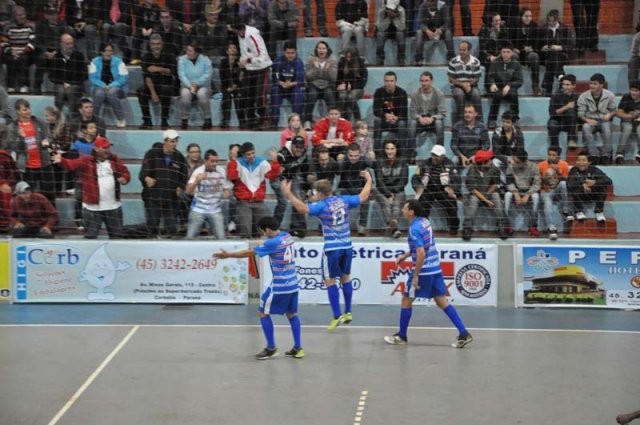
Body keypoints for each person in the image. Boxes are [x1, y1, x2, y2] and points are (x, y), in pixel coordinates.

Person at [281, 168, 372, 330]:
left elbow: (302, 209)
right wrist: (369, 179)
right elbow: (364, 196)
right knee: (345, 277)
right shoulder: (343, 200)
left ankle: (337, 316)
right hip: (347, 246)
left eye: (315, 192)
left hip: (332, 248)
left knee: (329, 280)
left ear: (321, 193)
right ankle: (349, 312)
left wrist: (288, 194)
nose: (313, 195)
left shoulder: (321, 206)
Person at [383, 199, 472, 348]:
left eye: (404, 208)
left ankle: (402, 336)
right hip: (435, 268)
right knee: (440, 300)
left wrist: (416, 275)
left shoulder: (414, 228)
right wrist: (405, 256)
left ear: (411, 211)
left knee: (406, 300)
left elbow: (421, 253)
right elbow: (424, 245)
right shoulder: (425, 222)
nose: (402, 210)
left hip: (424, 271)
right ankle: (464, 333)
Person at [214, 216, 303, 360]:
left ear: (267, 229)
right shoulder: (287, 236)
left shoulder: (272, 242)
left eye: (263, 230)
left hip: (279, 286)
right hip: (293, 284)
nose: (262, 233)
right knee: (292, 314)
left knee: (262, 312)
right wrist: (265, 243)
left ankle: (271, 348)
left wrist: (228, 255)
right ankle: (298, 348)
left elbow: (250, 253)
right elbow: (273, 244)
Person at [51, 136, 130, 238]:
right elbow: (71, 165)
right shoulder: (86, 160)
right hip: (92, 209)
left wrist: (125, 179)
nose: (108, 150)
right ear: (96, 148)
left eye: (108, 147)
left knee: (117, 237)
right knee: (90, 237)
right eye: (104, 148)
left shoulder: (115, 159)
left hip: (113, 207)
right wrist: (61, 161)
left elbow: (126, 173)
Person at [139, 129, 188, 237]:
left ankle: (170, 251)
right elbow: (142, 173)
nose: (174, 144)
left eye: (176, 141)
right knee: (152, 227)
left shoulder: (179, 157)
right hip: (153, 197)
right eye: (171, 141)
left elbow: (184, 175)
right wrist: (147, 178)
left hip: (171, 199)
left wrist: (181, 187)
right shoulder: (152, 153)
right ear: (165, 141)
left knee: (171, 228)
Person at [226, 141, 281, 238]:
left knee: (262, 231)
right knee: (246, 231)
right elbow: (231, 177)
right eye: (248, 154)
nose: (251, 156)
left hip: (259, 201)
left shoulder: (262, 162)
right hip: (243, 202)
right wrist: (233, 161)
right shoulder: (237, 163)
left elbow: (271, 175)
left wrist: (275, 162)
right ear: (243, 155)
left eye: (253, 153)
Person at [7, 98, 56, 205]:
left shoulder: (40, 122)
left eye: (28, 108)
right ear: (18, 112)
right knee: (30, 196)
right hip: (27, 167)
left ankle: (53, 217)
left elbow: (50, 137)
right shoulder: (12, 127)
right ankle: (34, 220)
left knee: (49, 194)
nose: (28, 111)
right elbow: (14, 147)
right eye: (24, 109)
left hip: (45, 164)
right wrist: (21, 137)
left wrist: (47, 140)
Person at [411, 144, 461, 236]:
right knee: (422, 204)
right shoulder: (425, 163)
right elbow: (415, 178)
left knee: (452, 203)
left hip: (443, 189)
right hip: (428, 189)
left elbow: (457, 180)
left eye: (437, 156)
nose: (434, 158)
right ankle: (423, 229)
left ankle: (454, 228)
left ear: (443, 157)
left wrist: (452, 189)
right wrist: (418, 187)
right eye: (433, 155)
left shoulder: (450, 164)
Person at [232, 23, 272, 130]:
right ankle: (251, 120)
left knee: (260, 96)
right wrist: (242, 62)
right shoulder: (240, 36)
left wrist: (248, 60)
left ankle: (264, 120)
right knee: (247, 95)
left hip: (262, 68)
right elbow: (244, 53)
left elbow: (263, 55)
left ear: (240, 29)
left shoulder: (254, 36)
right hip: (249, 69)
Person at [462, 149, 509, 240]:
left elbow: (496, 184)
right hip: (476, 193)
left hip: (489, 192)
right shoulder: (472, 169)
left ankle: (501, 226)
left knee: (496, 197)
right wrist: (485, 200)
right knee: (473, 201)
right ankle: (467, 227)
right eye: (489, 160)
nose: (491, 161)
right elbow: (473, 189)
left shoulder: (494, 168)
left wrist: (487, 195)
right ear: (483, 163)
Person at [185, 149, 232, 239]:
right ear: (205, 161)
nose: (214, 164)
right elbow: (188, 191)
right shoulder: (198, 171)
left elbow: (226, 188)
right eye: (212, 161)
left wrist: (226, 192)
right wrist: (197, 181)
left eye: (216, 161)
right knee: (189, 238)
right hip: (198, 208)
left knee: (221, 238)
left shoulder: (221, 171)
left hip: (215, 209)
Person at [138, 34, 178, 130]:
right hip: (151, 85)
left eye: (158, 44)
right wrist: (153, 93)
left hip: (166, 84)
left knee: (166, 90)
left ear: (162, 44)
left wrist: (157, 68)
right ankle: (147, 120)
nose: (156, 46)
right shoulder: (146, 57)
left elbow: (173, 71)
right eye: (153, 44)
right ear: (150, 45)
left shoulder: (169, 56)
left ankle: (164, 120)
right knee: (141, 91)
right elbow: (146, 76)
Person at [577, 73, 617, 165]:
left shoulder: (609, 95)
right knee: (586, 127)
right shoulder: (583, 96)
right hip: (590, 120)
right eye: (591, 83)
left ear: (601, 85)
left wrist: (610, 115)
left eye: (595, 84)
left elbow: (614, 110)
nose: (592, 85)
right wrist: (587, 120)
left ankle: (605, 155)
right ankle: (593, 155)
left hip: (604, 121)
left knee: (607, 129)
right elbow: (580, 113)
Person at [88, 42, 129, 128]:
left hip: (117, 87)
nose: (109, 53)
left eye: (111, 51)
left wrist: (111, 85)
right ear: (102, 52)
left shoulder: (119, 62)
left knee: (111, 92)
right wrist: (103, 85)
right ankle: (94, 120)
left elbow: (124, 78)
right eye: (106, 51)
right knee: (99, 93)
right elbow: (92, 78)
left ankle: (120, 118)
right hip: (100, 86)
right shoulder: (95, 62)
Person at [274, 136, 309, 237]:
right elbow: (281, 173)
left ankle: (298, 228)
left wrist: (307, 187)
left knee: (298, 199)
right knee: (283, 202)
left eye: (301, 147)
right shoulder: (282, 154)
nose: (299, 149)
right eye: (297, 147)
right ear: (292, 146)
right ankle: (274, 227)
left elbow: (305, 169)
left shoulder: (304, 152)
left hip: (293, 176)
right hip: (279, 178)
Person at [33, 6, 72, 96]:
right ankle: (37, 86)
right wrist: (46, 52)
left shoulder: (63, 25)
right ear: (46, 16)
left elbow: (65, 41)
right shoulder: (40, 25)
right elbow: (38, 42)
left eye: (55, 14)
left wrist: (57, 52)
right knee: (41, 59)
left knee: (60, 59)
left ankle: (59, 87)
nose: (53, 17)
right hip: (44, 51)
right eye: (50, 15)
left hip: (59, 51)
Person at [373, 139, 407, 238]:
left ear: (396, 150)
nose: (389, 151)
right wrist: (388, 194)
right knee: (386, 204)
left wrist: (393, 193)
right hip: (381, 190)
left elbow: (404, 181)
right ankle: (395, 229)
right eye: (387, 149)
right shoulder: (379, 161)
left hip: (398, 190)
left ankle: (392, 228)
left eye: (392, 149)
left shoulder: (403, 161)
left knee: (396, 205)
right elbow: (379, 182)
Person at [48, 33, 88, 117]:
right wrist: (63, 82)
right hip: (60, 84)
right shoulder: (56, 57)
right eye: (67, 44)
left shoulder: (79, 56)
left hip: (76, 84)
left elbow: (84, 75)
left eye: (71, 43)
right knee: (60, 90)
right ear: (61, 44)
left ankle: (74, 117)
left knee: (70, 90)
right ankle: (57, 117)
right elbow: (52, 76)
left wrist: (70, 83)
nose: (70, 46)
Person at [566, 150, 612, 223]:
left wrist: (594, 183)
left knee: (602, 188)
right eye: (579, 160)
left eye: (584, 160)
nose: (581, 163)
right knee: (574, 189)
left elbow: (608, 181)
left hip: (592, 194)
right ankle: (579, 212)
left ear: (588, 162)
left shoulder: (594, 169)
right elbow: (569, 183)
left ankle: (599, 213)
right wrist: (583, 184)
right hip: (580, 195)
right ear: (576, 162)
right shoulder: (573, 170)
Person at [372, 71, 409, 159]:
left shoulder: (402, 93)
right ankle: (377, 152)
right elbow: (376, 110)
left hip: (397, 121)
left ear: (395, 81)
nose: (389, 83)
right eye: (387, 81)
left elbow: (404, 112)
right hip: (384, 121)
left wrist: (396, 118)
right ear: (384, 82)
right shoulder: (378, 92)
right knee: (377, 121)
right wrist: (385, 115)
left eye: (391, 81)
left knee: (402, 124)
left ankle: (403, 154)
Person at [504, 149, 541, 237]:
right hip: (515, 191)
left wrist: (528, 194)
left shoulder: (534, 167)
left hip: (528, 191)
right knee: (507, 195)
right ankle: (506, 224)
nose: (513, 163)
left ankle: (533, 226)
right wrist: (515, 193)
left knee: (536, 197)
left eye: (517, 162)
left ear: (524, 162)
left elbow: (537, 183)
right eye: (513, 160)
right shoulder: (510, 166)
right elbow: (509, 182)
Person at [486, 42, 523, 129]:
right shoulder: (495, 62)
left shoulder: (516, 64)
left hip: (510, 88)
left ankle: (514, 119)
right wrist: (492, 84)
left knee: (513, 94)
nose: (505, 54)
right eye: (503, 52)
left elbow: (519, 81)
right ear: (500, 52)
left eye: (508, 52)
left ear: (512, 53)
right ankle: (492, 120)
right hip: (497, 87)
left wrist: (509, 85)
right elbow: (490, 77)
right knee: (497, 94)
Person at [408, 71, 447, 153]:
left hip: (433, 122)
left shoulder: (439, 94)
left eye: (426, 80)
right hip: (420, 122)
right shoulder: (415, 95)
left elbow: (443, 113)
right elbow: (412, 113)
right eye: (422, 81)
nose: (424, 83)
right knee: (412, 123)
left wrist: (432, 118)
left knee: (439, 123)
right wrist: (419, 118)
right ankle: (411, 153)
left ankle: (440, 153)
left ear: (431, 81)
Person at [177, 42, 213, 130]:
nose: (187, 52)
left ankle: (207, 118)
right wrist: (190, 86)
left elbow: (208, 74)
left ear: (196, 53)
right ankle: (184, 119)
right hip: (187, 86)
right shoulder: (181, 60)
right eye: (187, 50)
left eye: (190, 51)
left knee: (202, 94)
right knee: (185, 95)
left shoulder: (206, 60)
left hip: (203, 86)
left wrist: (197, 84)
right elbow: (181, 74)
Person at [337, 143, 370, 236]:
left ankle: (362, 226)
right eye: (351, 155)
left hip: (359, 188)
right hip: (344, 188)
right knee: (337, 195)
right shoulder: (343, 162)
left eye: (356, 156)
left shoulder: (364, 160)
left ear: (360, 154)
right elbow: (339, 174)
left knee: (366, 197)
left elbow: (374, 165)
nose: (353, 158)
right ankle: (339, 225)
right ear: (347, 154)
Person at [269, 42, 305, 128]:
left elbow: (300, 81)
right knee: (275, 91)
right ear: (284, 52)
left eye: (292, 53)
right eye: (288, 53)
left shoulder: (299, 62)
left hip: (293, 87)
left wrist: (291, 84)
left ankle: (296, 121)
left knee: (298, 94)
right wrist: (282, 83)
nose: (290, 55)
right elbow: (275, 78)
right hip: (281, 87)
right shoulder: (278, 61)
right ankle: (274, 120)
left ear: (296, 52)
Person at [538, 146, 570, 240]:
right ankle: (551, 228)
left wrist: (557, 172)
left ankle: (565, 210)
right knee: (547, 202)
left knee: (564, 184)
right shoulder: (541, 165)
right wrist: (545, 178)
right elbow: (536, 180)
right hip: (545, 191)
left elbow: (566, 180)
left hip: (557, 190)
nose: (551, 157)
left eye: (554, 155)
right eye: (549, 155)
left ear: (558, 157)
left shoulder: (564, 164)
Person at [304, 41, 337, 130]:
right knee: (312, 95)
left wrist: (328, 69)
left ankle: (332, 121)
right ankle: (307, 121)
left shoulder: (332, 60)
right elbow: (307, 76)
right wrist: (316, 68)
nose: (321, 50)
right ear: (316, 50)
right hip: (314, 85)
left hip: (328, 85)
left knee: (329, 94)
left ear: (327, 50)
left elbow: (334, 77)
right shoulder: (311, 59)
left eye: (323, 48)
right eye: (319, 48)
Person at [448, 41, 483, 124]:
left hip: (472, 86)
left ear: (469, 51)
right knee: (459, 94)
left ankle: (479, 121)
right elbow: (451, 79)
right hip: (457, 86)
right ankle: (460, 121)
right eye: (460, 50)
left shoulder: (476, 62)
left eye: (464, 50)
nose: (461, 52)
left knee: (476, 94)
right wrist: (462, 85)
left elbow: (477, 78)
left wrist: (469, 84)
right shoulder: (453, 61)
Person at [2, 6, 36, 94]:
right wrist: (11, 51)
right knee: (10, 60)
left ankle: (24, 86)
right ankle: (11, 86)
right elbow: (3, 43)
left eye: (23, 14)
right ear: (14, 16)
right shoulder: (8, 27)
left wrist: (22, 52)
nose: (22, 17)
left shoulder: (31, 26)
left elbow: (32, 43)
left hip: (26, 52)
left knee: (23, 58)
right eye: (19, 15)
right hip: (12, 52)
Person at [510, 8, 542, 96]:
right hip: (518, 52)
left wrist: (532, 48)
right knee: (513, 56)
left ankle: (535, 85)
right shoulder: (515, 25)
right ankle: (513, 86)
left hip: (528, 54)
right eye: (526, 16)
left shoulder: (534, 26)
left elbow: (538, 42)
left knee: (534, 56)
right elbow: (509, 40)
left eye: (530, 16)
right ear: (521, 17)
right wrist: (513, 48)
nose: (529, 18)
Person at [539, 9, 571, 96]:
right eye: (549, 21)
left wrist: (559, 47)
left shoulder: (564, 28)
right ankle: (561, 78)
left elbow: (571, 46)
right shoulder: (542, 29)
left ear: (557, 20)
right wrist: (542, 47)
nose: (551, 23)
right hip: (546, 55)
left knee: (554, 56)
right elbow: (537, 44)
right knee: (552, 55)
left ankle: (547, 88)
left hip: (561, 55)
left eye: (553, 21)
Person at [414, 0, 454, 65]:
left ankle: (451, 57)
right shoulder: (423, 6)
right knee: (419, 33)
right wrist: (427, 30)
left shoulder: (443, 6)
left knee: (448, 33)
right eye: (429, 1)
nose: (430, 3)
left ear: (436, 1)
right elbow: (420, 23)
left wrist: (441, 29)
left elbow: (447, 22)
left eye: (432, 2)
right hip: (427, 32)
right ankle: (418, 59)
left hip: (440, 32)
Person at [450, 103, 489, 169]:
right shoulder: (457, 126)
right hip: (461, 156)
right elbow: (453, 145)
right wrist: (461, 156)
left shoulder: (482, 127)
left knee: (486, 161)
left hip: (476, 156)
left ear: (475, 114)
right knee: (453, 160)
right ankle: (455, 179)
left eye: (470, 112)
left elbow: (486, 145)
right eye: (465, 112)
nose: (467, 114)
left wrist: (476, 156)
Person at [336, 47, 367, 123]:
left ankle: (358, 119)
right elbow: (338, 79)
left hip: (358, 88)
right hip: (344, 88)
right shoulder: (342, 63)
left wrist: (350, 86)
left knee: (350, 97)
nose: (348, 59)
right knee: (342, 96)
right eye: (347, 57)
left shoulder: (361, 63)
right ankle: (343, 120)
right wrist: (340, 85)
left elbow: (362, 82)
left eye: (350, 57)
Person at [477, 12, 509, 88]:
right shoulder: (484, 29)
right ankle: (489, 87)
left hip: (500, 54)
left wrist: (501, 55)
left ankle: (504, 86)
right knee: (490, 62)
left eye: (499, 20)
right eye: (496, 20)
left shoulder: (504, 29)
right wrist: (489, 56)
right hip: (486, 55)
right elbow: (482, 48)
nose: (498, 22)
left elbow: (507, 44)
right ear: (491, 22)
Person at [547, 74, 578, 149]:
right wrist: (566, 107)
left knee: (571, 112)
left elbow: (579, 113)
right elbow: (552, 113)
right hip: (557, 121)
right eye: (563, 84)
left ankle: (571, 140)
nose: (564, 87)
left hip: (570, 123)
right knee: (552, 125)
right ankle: (555, 148)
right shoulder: (556, 96)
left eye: (567, 85)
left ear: (574, 86)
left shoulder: (577, 97)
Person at [219, 41, 244, 129]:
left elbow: (242, 76)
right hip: (226, 87)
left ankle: (242, 121)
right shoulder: (223, 62)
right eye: (230, 48)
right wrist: (228, 87)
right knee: (226, 99)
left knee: (239, 100)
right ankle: (225, 120)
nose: (232, 50)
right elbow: (222, 76)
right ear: (227, 51)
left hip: (238, 87)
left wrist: (235, 86)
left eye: (234, 48)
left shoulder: (240, 62)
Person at [614, 82, 640, 165]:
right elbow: (618, 113)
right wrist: (630, 116)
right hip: (627, 121)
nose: (633, 93)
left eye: (636, 91)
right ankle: (619, 154)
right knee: (627, 128)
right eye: (632, 90)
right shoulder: (626, 97)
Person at [374, 0, 406, 66]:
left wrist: (395, 19)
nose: (391, 10)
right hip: (385, 31)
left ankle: (401, 58)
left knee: (400, 34)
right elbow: (379, 28)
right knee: (380, 34)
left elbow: (402, 27)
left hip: (397, 31)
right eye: (389, 8)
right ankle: (380, 58)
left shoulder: (401, 10)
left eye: (392, 9)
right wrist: (388, 19)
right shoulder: (381, 10)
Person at [0, 145, 20, 229]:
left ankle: (6, 223)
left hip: (6, 184)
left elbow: (14, 173)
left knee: (5, 193)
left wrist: (6, 183)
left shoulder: (4, 156)